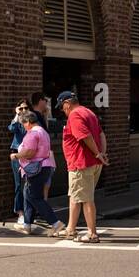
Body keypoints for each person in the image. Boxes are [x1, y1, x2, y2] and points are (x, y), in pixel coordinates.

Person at [56, 90, 107, 243]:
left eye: (62, 107)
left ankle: (92, 234)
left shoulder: (75, 115)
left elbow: (85, 136)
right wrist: (102, 153)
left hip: (81, 163)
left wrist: (98, 154)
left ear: (67, 104)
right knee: (75, 195)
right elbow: (101, 134)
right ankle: (71, 228)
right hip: (90, 163)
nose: (62, 111)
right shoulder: (89, 112)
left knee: (86, 199)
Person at [11, 110, 65, 236]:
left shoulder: (33, 133)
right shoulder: (43, 132)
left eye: (24, 123)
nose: (24, 126)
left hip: (36, 168)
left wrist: (16, 155)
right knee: (27, 194)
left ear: (29, 122)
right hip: (44, 167)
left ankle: (56, 223)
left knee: (34, 197)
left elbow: (29, 152)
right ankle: (27, 225)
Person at [7, 99, 31, 227]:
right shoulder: (17, 121)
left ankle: (29, 212)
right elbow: (11, 128)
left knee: (29, 185)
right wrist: (17, 115)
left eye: (26, 108)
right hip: (17, 154)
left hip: (29, 154)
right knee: (19, 184)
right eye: (21, 108)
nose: (23, 111)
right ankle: (20, 213)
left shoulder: (31, 122)